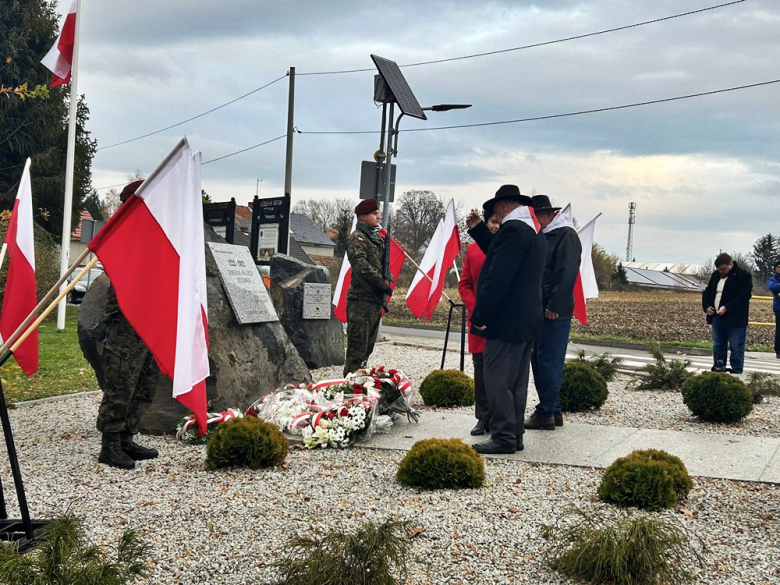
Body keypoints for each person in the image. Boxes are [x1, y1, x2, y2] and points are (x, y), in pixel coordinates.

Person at [466, 185, 546, 454]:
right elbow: (498, 253)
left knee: (497, 380)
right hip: (526, 320)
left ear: (502, 206)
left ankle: (503, 437)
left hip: (507, 321)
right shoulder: (531, 232)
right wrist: (478, 230)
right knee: (516, 383)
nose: (495, 218)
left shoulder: (512, 231)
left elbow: (497, 277)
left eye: (494, 212)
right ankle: (515, 435)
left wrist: (480, 314)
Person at [97, 180, 161, 469]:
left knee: (145, 383)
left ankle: (126, 438)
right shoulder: (123, 234)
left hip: (149, 320)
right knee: (121, 384)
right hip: (125, 322)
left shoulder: (153, 235)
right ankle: (110, 444)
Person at [524, 195, 582, 431]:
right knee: (539, 361)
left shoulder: (566, 235)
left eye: (536, 215)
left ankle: (546, 412)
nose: (533, 220)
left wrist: (554, 306)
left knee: (548, 362)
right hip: (540, 308)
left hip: (553, 311)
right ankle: (553, 409)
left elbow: (566, 273)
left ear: (549, 214)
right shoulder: (545, 234)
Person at [458, 212, 501, 436]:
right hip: (479, 322)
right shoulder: (473, 250)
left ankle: (500, 418)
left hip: (502, 319)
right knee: (481, 370)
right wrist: (477, 311)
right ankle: (483, 417)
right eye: (493, 222)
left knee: (501, 373)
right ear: (485, 223)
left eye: (499, 222)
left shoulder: (508, 249)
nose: (496, 226)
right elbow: (464, 284)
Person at [343, 198, 393, 375]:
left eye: (378, 213)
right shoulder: (357, 239)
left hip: (373, 301)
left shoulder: (374, 239)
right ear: (362, 216)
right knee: (356, 353)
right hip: (360, 302)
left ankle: (360, 385)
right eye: (374, 213)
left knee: (367, 351)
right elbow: (361, 267)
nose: (378, 216)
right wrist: (383, 284)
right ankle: (348, 386)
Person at [701, 253, 752, 374]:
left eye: (723, 269)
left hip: (736, 318)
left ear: (731, 264)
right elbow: (707, 292)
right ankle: (718, 368)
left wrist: (727, 307)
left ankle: (736, 370)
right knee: (718, 345)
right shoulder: (716, 275)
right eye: (719, 269)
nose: (721, 272)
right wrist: (707, 306)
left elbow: (744, 296)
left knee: (736, 346)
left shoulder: (743, 276)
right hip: (717, 316)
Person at [767, 261, 780, 359]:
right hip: (778, 307)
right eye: (778, 267)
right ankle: (778, 350)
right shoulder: (773, 279)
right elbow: (772, 287)